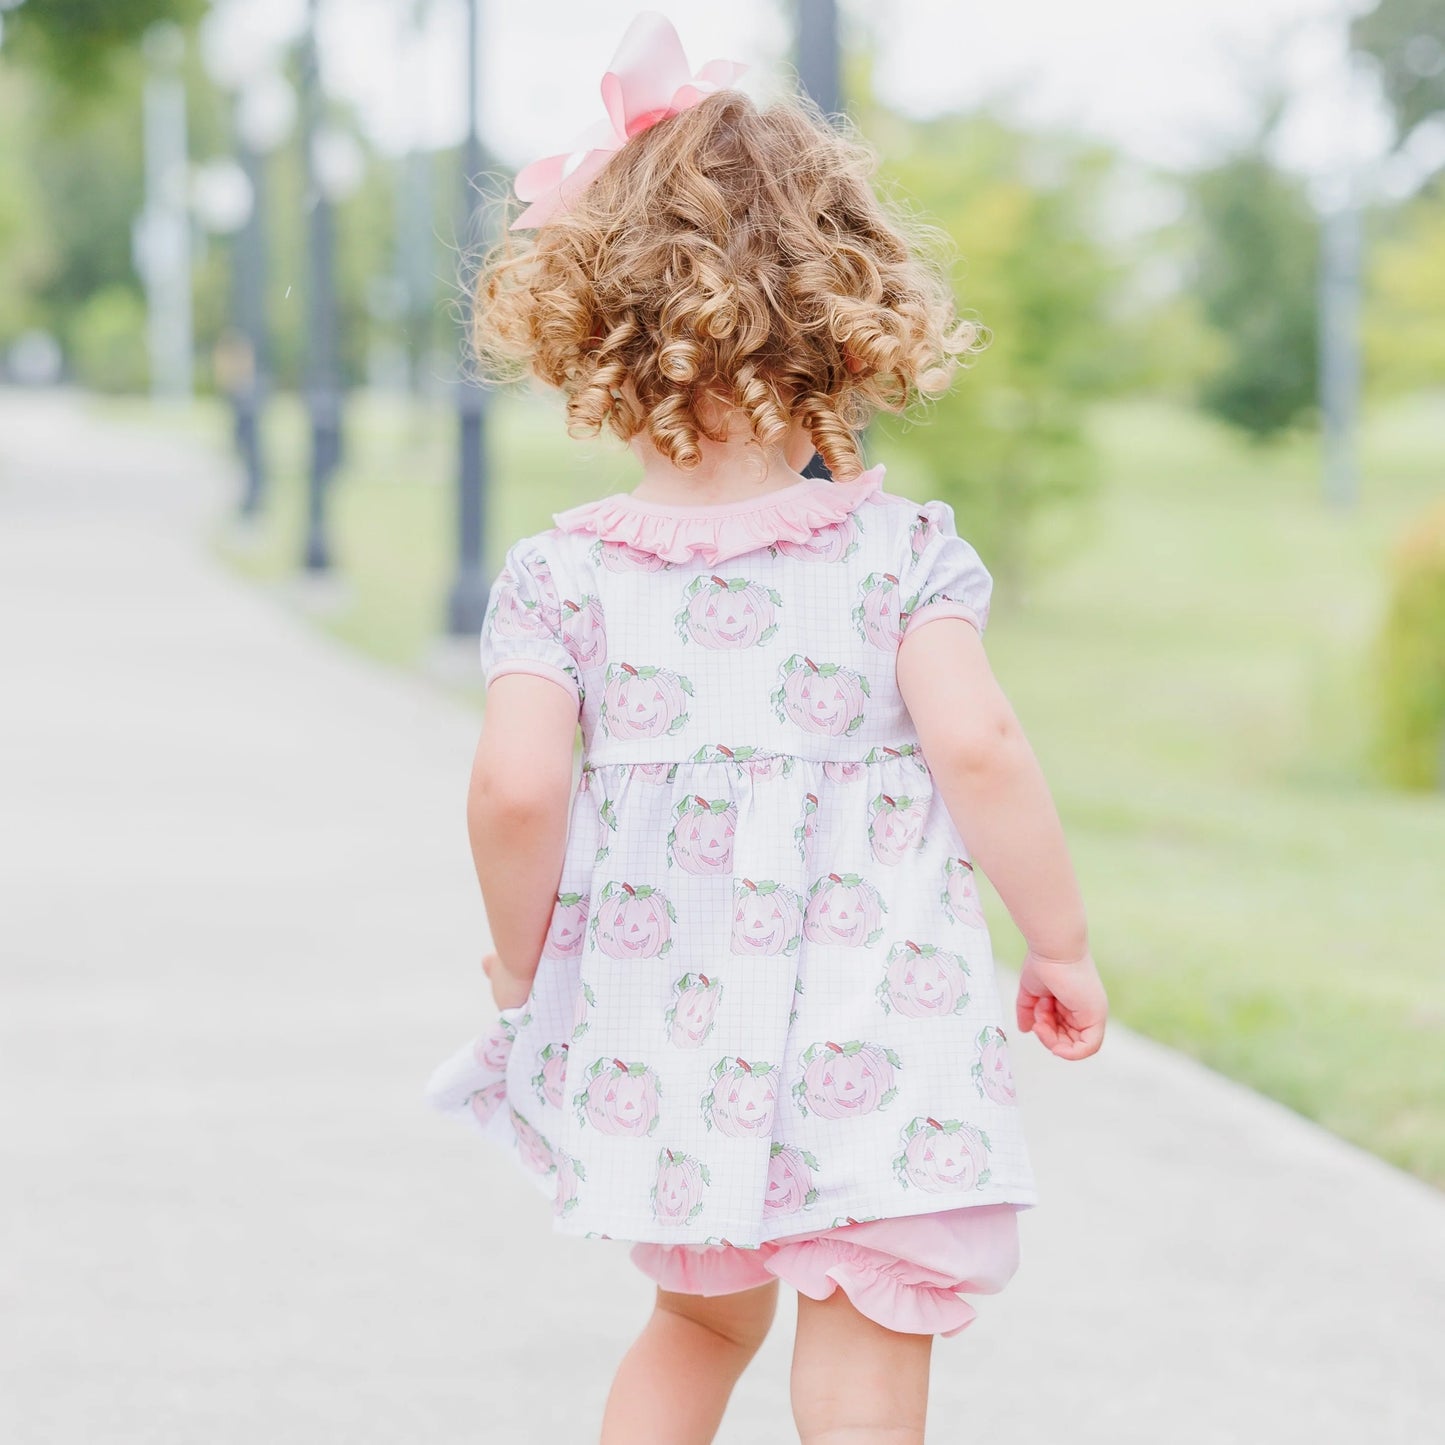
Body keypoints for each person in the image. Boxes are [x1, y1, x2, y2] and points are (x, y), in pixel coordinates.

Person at [427, 14, 1108, 1443]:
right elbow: (978, 749)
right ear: (845, 310)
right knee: (864, 1307)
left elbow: (512, 785)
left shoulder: (562, 576)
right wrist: (1055, 938)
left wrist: (524, 947)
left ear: (594, 329)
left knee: (694, 1315)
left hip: (667, 1013)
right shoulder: (897, 554)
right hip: (878, 1017)